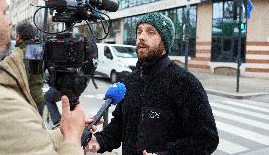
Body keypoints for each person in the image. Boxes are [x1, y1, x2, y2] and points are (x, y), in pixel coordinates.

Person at [86, 13, 219, 155]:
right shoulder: (130, 81)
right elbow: (120, 125)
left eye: (150, 32)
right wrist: (100, 141)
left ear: (165, 41)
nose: (141, 37)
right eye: (139, 32)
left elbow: (206, 139)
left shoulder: (185, 83)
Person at [0, 0, 86, 154]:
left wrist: (67, 131)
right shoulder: (1, 106)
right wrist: (72, 139)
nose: (9, 21)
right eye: (4, 12)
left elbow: (27, 143)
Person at [15, 22, 45, 116]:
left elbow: (22, 81)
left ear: (19, 36)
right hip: (38, 98)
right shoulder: (36, 50)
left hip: (28, 101)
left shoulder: (21, 53)